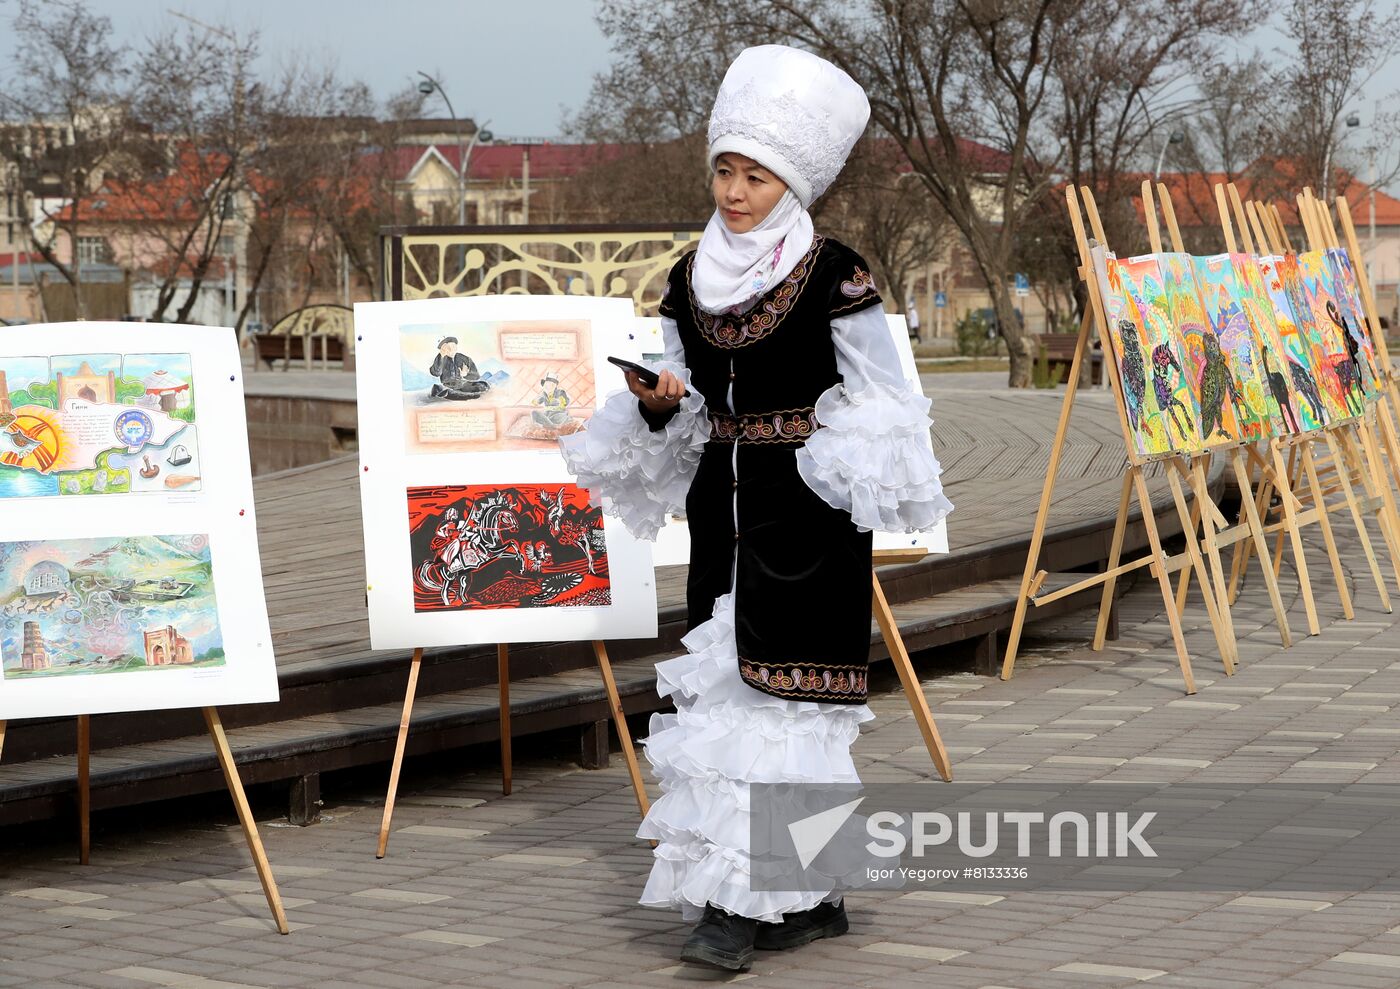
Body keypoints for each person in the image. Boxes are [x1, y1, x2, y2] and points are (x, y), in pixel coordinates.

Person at [560, 44, 952, 972]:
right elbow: (687, 400)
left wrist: (830, 459)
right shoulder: (689, 275)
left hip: (807, 522)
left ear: (794, 180)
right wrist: (660, 404)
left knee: (785, 707)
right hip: (723, 517)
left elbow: (885, 398)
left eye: (757, 175)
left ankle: (748, 907)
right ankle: (800, 898)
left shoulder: (834, 275)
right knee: (728, 696)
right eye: (725, 171)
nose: (736, 191)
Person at [428, 336, 490, 400]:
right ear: (443, 349)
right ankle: (453, 394)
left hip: (463, 384)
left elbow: (476, 376)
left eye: (453, 347)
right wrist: (441, 356)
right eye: (448, 348)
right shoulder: (440, 358)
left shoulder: (465, 359)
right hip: (448, 386)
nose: (451, 350)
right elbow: (436, 373)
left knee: (483, 385)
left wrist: (466, 374)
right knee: (441, 389)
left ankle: (459, 394)